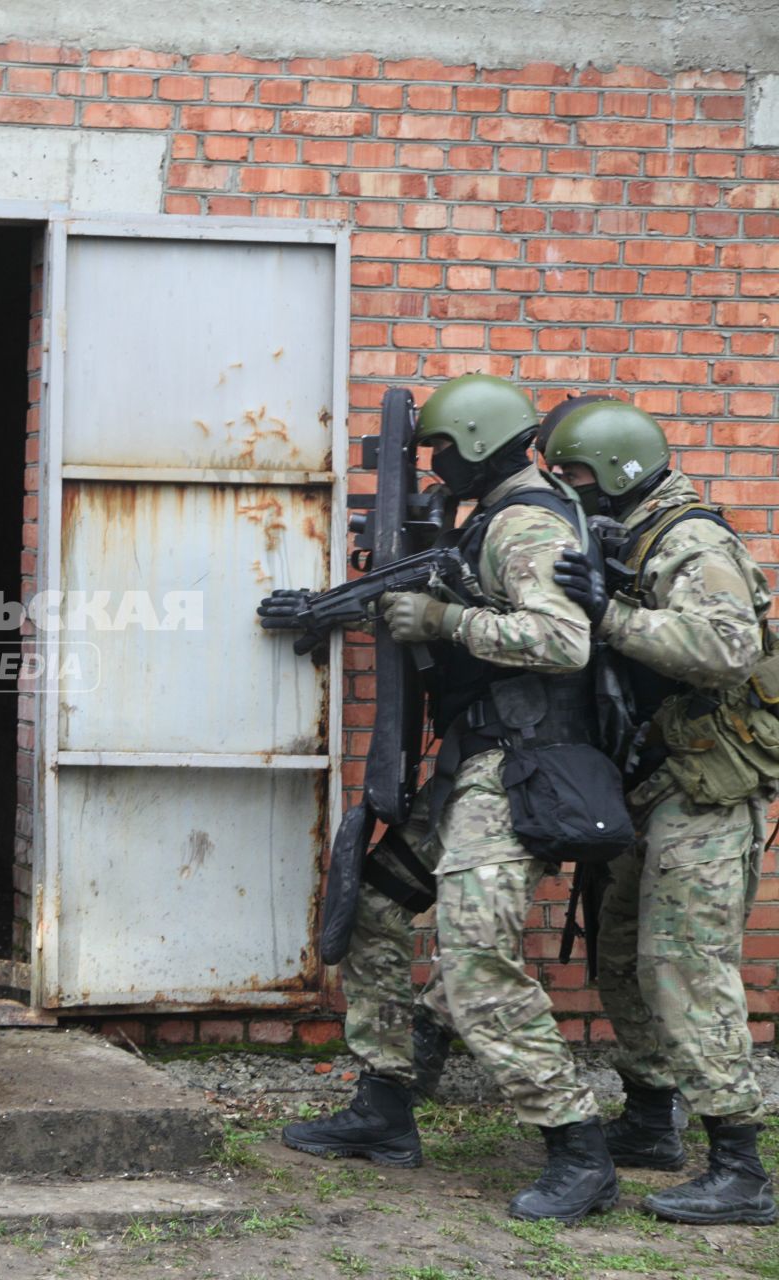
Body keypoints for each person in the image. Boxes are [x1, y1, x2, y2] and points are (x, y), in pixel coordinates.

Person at [284, 374, 611, 1223]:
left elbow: (562, 637)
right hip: (475, 768)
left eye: (440, 448)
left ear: (473, 441)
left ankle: (577, 1147)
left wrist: (442, 623)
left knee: (475, 966)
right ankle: (385, 1109)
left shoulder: (526, 522)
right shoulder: (487, 521)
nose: (433, 463)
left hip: (519, 773)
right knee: (376, 910)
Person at [546, 399, 777, 1224]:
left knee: (683, 964)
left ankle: (742, 1168)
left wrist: (611, 613)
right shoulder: (634, 535)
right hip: (653, 782)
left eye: (573, 474)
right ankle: (651, 1121)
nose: (566, 489)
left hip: (706, 788)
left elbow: (725, 650)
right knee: (620, 957)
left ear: (618, 469)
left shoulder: (691, 541)